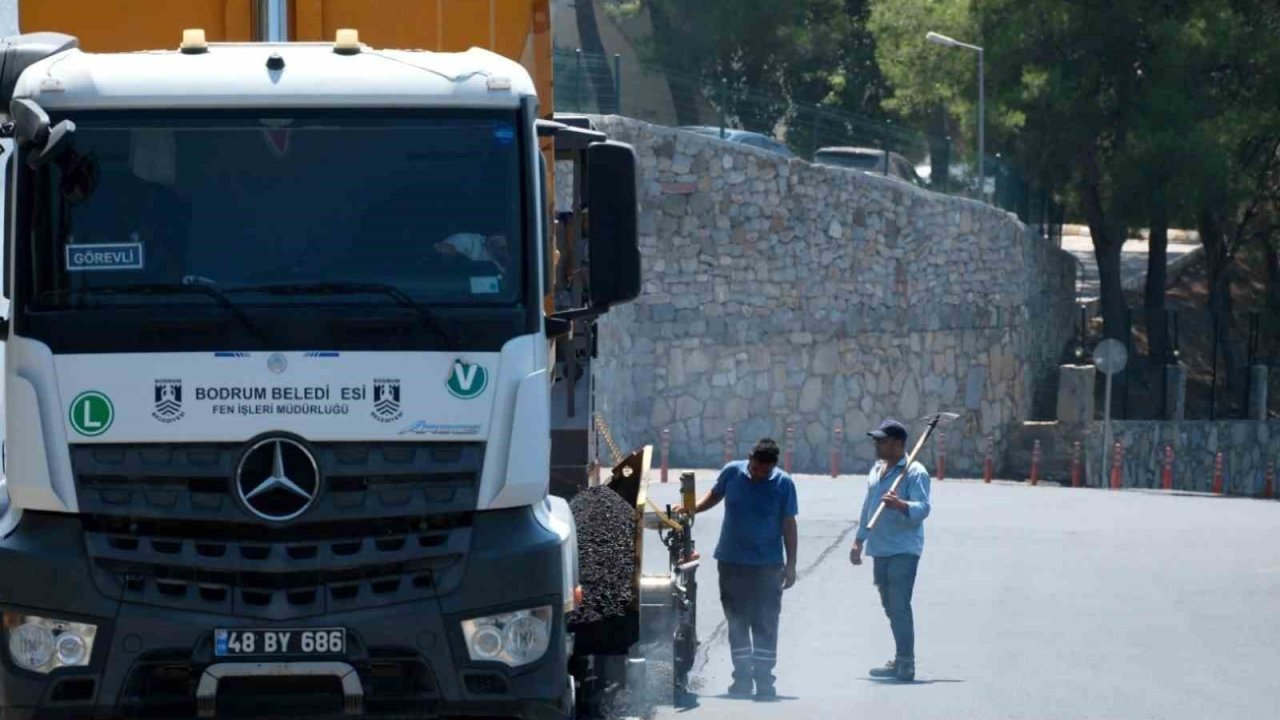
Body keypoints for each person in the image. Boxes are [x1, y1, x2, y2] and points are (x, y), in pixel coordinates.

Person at [680, 438, 798, 700]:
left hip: (767, 566)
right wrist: (691, 509)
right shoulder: (732, 471)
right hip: (731, 562)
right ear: (749, 459)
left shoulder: (784, 484)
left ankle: (765, 680)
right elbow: (715, 495)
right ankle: (742, 678)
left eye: (764, 471)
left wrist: (791, 565)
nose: (758, 474)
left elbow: (789, 524)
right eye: (755, 468)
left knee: (765, 623)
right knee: (737, 622)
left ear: (773, 467)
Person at [849, 418, 932, 682]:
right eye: (876, 440)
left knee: (899, 604)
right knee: (889, 605)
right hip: (880, 547)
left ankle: (906, 663)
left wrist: (900, 505)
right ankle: (900, 658)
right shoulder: (877, 470)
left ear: (897, 443)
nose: (876, 444)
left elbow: (923, 508)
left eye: (881, 440)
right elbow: (868, 506)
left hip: (904, 549)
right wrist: (859, 540)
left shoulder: (914, 471)